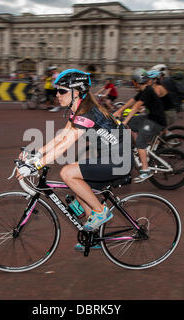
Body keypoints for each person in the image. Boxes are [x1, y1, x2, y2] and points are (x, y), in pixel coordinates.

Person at [17, 69, 132, 251]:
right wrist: (36, 154)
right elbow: (62, 137)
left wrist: (36, 166)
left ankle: (101, 212)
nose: (57, 95)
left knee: (67, 173)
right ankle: (93, 237)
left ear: (76, 92)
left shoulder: (87, 113)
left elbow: (65, 146)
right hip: (108, 156)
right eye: (57, 90)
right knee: (78, 186)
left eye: (62, 91)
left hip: (119, 160)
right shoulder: (78, 110)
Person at [114, 69, 166, 183]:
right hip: (150, 117)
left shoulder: (148, 91)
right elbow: (133, 100)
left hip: (156, 121)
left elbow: (136, 106)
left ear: (135, 82)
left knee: (140, 143)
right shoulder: (144, 90)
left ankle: (145, 170)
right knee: (132, 123)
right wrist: (119, 111)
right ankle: (141, 150)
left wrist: (124, 122)